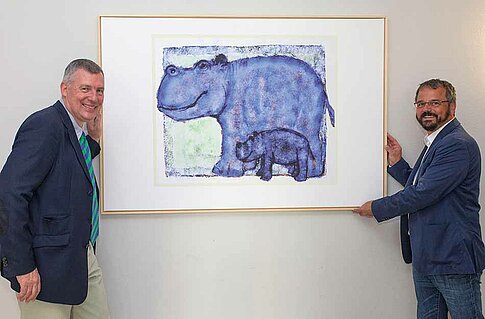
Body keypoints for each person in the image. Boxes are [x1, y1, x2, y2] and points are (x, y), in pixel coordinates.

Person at [353, 79, 485, 318]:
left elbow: (423, 194)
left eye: (435, 102)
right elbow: (428, 187)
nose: (427, 109)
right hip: (427, 257)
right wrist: (397, 163)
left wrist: (376, 208)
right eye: (421, 103)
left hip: (452, 259)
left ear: (452, 107)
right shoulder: (437, 141)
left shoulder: (457, 144)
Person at [0, 59, 110, 318]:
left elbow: (65, 172)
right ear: (65, 89)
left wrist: (92, 141)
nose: (93, 97)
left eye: (99, 90)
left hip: (82, 256)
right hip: (45, 267)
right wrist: (22, 266)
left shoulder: (74, 131)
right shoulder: (45, 125)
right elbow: (9, 193)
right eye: (85, 89)